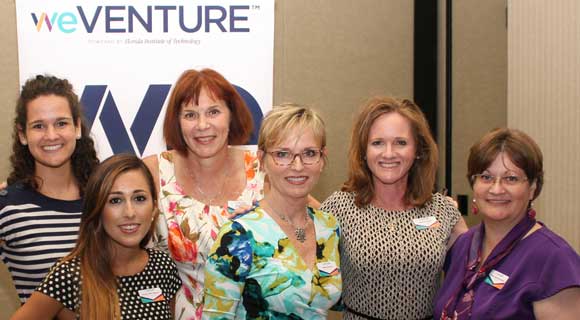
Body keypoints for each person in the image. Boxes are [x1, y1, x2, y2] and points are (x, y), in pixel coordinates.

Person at [321, 96, 467, 319]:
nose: (389, 153)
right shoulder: (338, 207)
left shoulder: (443, 211)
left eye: (400, 142)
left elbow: (473, 277)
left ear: (417, 150)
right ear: (363, 151)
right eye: (377, 143)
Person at [143, 68, 266, 319]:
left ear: (231, 115)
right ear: (177, 122)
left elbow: (310, 222)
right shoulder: (154, 172)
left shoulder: (262, 169)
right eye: (190, 114)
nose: (202, 125)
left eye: (213, 111)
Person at [203, 104, 341, 319]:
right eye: (283, 154)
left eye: (309, 153)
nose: (297, 166)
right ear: (262, 160)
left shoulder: (330, 227)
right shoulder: (238, 236)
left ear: (322, 159)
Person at [11, 154, 182, 320]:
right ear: (97, 209)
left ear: (153, 207)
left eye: (139, 198)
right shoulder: (69, 275)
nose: (130, 213)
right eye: (115, 201)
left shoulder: (163, 266)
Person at [434, 128, 580, 320]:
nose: (496, 189)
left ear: (532, 187)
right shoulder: (463, 246)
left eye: (511, 178)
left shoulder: (554, 259)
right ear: (473, 184)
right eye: (486, 177)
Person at [0, 75, 99, 303]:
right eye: (38, 126)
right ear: (23, 134)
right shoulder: (8, 206)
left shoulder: (104, 197)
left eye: (61, 123)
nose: (51, 135)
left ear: (77, 127)